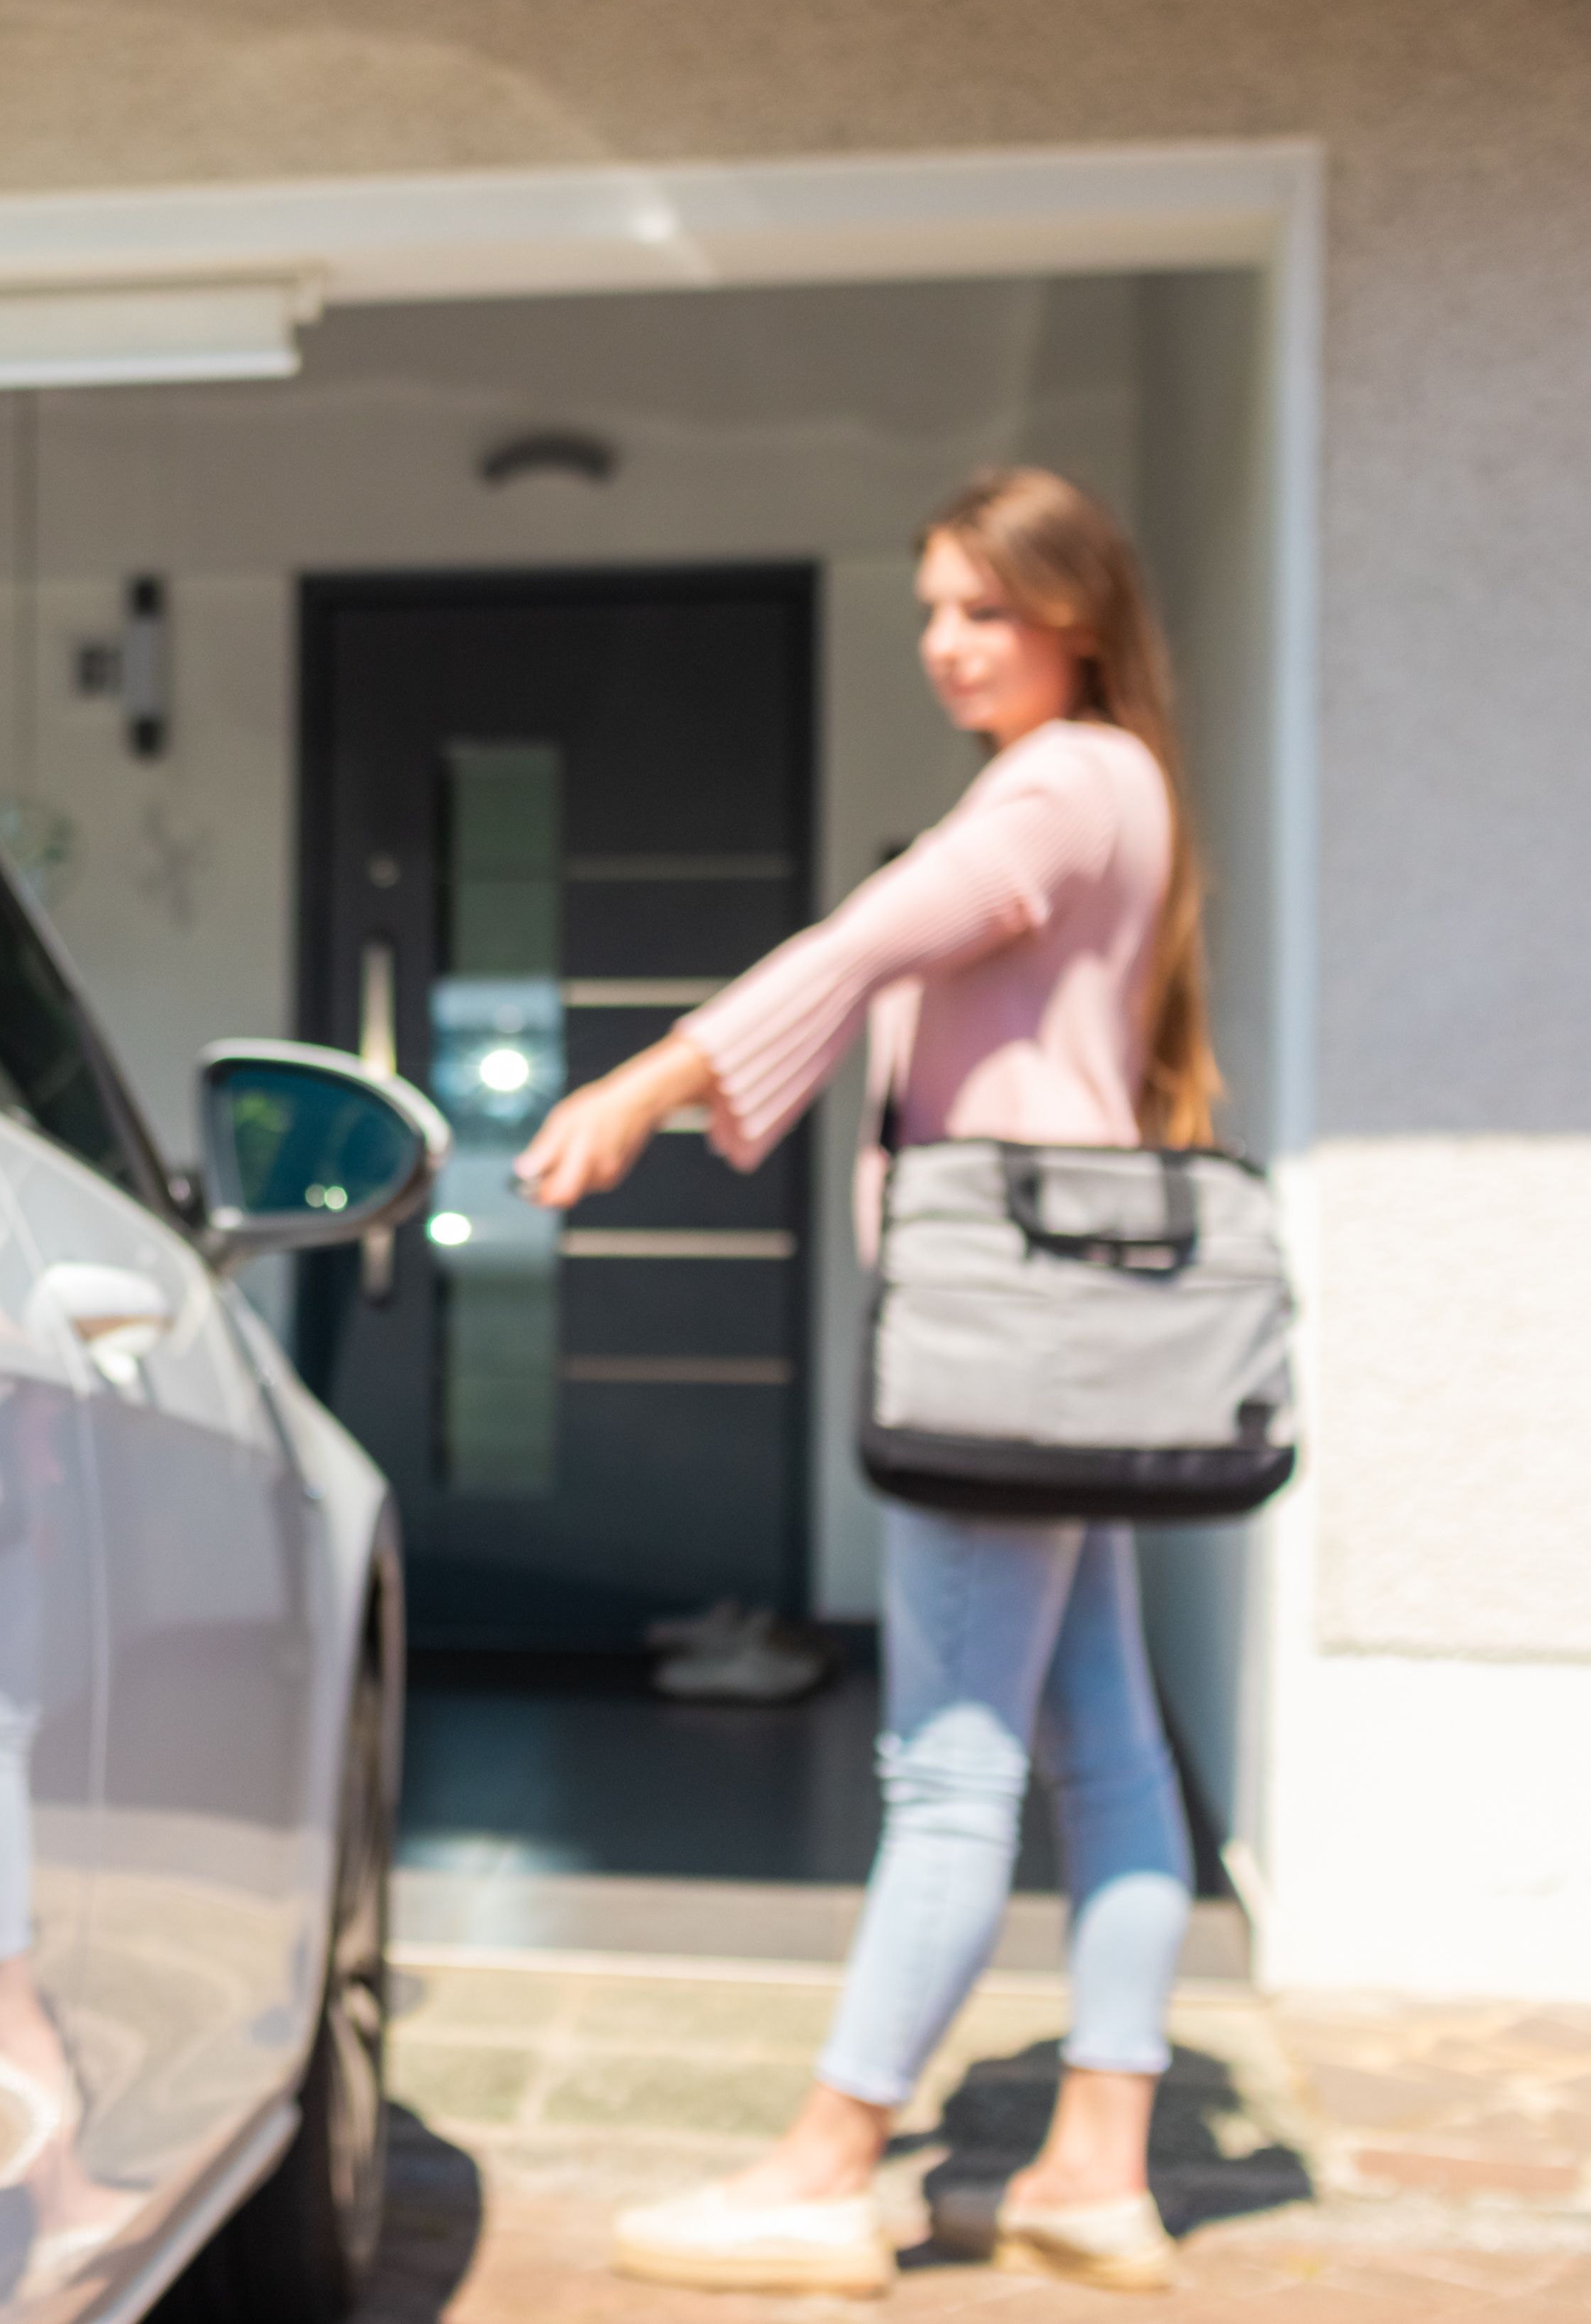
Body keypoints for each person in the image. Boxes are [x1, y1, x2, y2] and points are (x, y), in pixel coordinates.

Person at [516, 468, 1216, 2298]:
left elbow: (872, 938)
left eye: (980, 608)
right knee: (1111, 1751)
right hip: (1067, 1333)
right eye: (929, 609)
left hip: (1002, 1335)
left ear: (1075, 610)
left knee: (948, 1766)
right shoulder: (1122, 785)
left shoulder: (1060, 783)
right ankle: (1096, 2165)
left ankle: (828, 2166)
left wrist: (647, 1082)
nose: (943, 644)